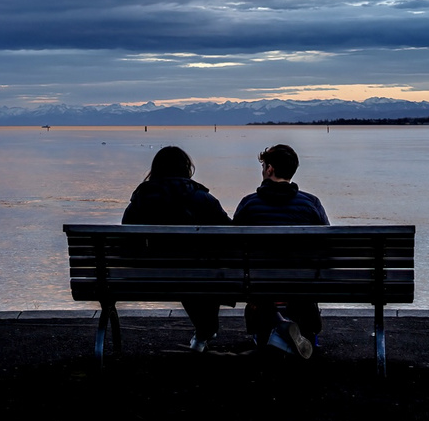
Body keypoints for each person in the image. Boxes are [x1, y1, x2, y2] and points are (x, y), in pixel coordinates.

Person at [122, 145, 231, 351]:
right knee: (203, 268)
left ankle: (204, 331)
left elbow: (127, 243)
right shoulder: (203, 198)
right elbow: (230, 235)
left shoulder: (140, 199)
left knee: (183, 271)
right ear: (187, 169)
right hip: (200, 272)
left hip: (153, 276)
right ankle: (205, 330)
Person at [232, 143, 328, 358]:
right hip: (302, 285)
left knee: (258, 280)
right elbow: (326, 246)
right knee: (299, 276)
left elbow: (233, 248)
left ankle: (273, 330)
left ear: (269, 169)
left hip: (258, 285)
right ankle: (298, 331)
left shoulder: (249, 204)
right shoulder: (311, 204)